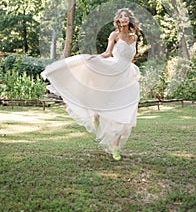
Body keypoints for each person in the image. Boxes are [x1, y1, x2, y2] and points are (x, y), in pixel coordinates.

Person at [41, 8, 141, 160]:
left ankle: (115, 146)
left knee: (126, 110)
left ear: (129, 20)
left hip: (127, 75)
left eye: (126, 16)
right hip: (113, 71)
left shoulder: (134, 37)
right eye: (121, 16)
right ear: (118, 21)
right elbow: (108, 53)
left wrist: (132, 71)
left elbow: (131, 57)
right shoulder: (114, 35)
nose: (124, 18)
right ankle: (96, 115)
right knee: (107, 102)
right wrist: (94, 58)